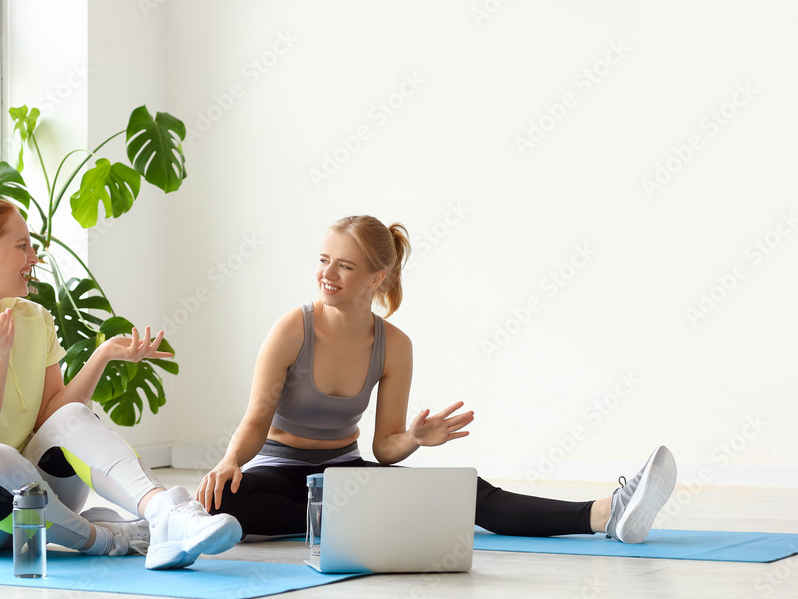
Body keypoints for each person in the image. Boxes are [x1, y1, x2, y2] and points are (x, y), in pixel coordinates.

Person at [197, 215, 677, 543]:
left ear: (376, 277)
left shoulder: (394, 345)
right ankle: (365, 521)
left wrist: (413, 438)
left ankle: (604, 513)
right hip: (278, 476)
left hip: (342, 478)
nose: (328, 274)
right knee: (224, 502)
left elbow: (383, 449)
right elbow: (258, 415)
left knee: (465, 492)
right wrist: (229, 460)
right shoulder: (292, 328)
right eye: (324, 260)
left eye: (345, 265)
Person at [0, 197, 241, 569]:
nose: (34, 259)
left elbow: (52, 418)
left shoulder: (32, 317)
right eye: (22, 246)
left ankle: (167, 513)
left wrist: (103, 355)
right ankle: (104, 539)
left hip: (32, 502)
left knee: (72, 416)